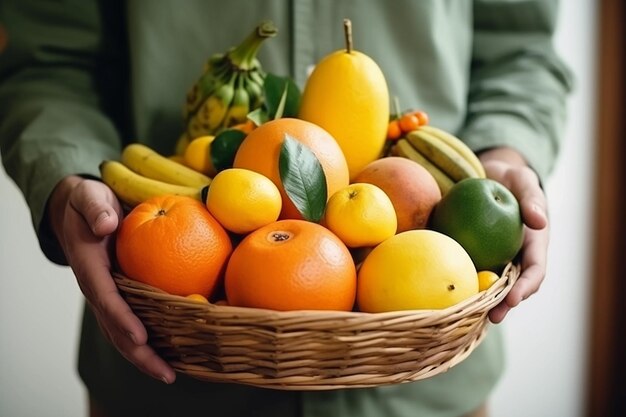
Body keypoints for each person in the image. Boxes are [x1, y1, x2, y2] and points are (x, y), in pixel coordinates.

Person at [0, 1, 572, 416]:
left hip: (426, 380)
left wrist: (504, 152)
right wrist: (65, 176)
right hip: (167, 359)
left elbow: (520, 53)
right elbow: (47, 64)